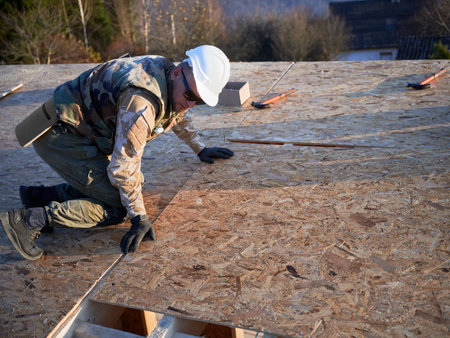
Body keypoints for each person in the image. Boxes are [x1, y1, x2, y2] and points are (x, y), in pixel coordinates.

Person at [0, 45, 234, 261]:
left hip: (79, 129)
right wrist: (138, 218)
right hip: (62, 136)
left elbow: (178, 115)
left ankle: (37, 198)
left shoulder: (169, 76)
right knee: (119, 207)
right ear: (177, 73)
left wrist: (199, 146)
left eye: (199, 101)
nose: (191, 104)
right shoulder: (141, 104)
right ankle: (28, 221)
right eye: (191, 96)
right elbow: (123, 168)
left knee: (133, 187)